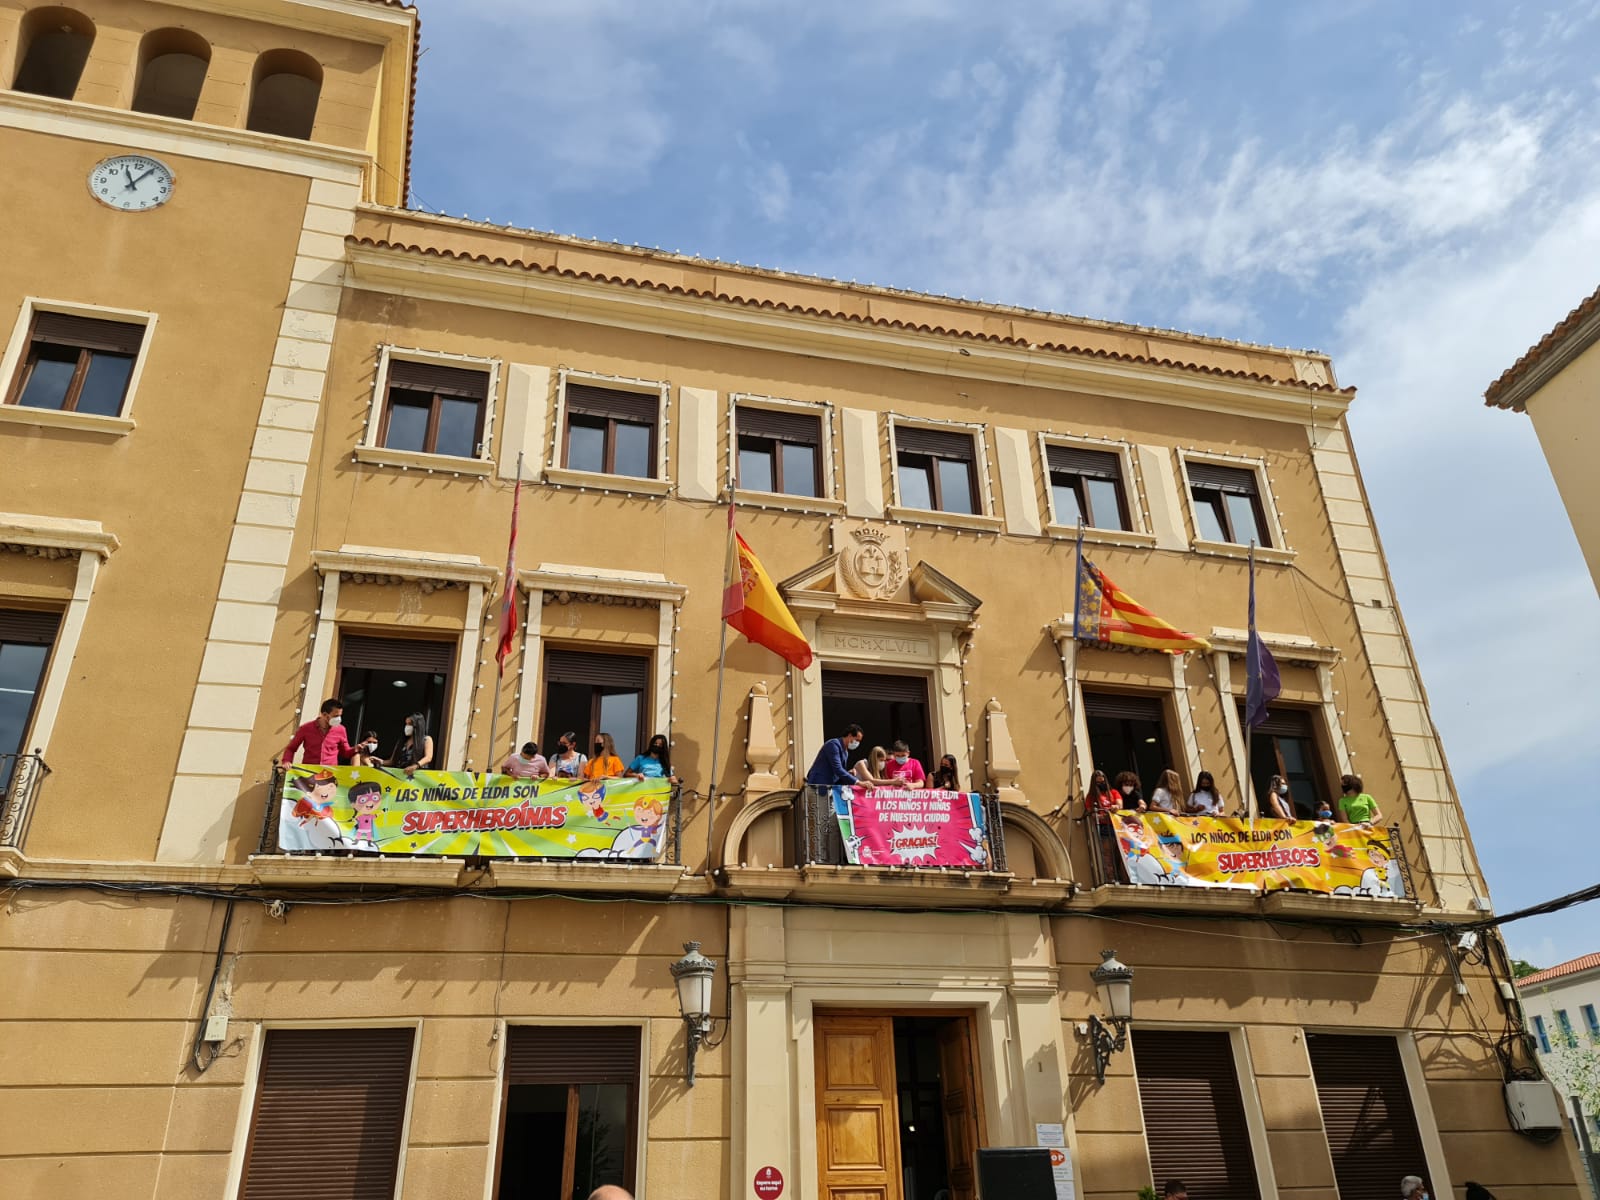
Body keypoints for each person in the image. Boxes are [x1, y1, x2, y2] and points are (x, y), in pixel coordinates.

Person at [277, 697, 352, 767]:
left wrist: (356, 749)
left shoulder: (341, 729)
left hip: (329, 775)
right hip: (309, 775)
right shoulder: (306, 728)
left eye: (340, 715)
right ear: (325, 714)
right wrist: (286, 761)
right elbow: (291, 748)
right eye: (336, 716)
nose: (339, 719)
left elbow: (345, 752)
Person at [805, 723, 863, 787]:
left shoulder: (845, 753)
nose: (857, 743)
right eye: (857, 740)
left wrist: (848, 773)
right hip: (818, 784)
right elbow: (838, 769)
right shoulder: (833, 745)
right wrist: (858, 782)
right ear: (849, 735)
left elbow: (839, 774)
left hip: (829, 786)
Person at [379, 712, 433, 778]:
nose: (407, 727)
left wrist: (416, 766)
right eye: (406, 724)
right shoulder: (402, 741)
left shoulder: (426, 739)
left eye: (410, 724)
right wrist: (380, 762)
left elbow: (428, 758)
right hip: (399, 776)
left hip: (416, 778)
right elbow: (392, 761)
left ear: (417, 726)